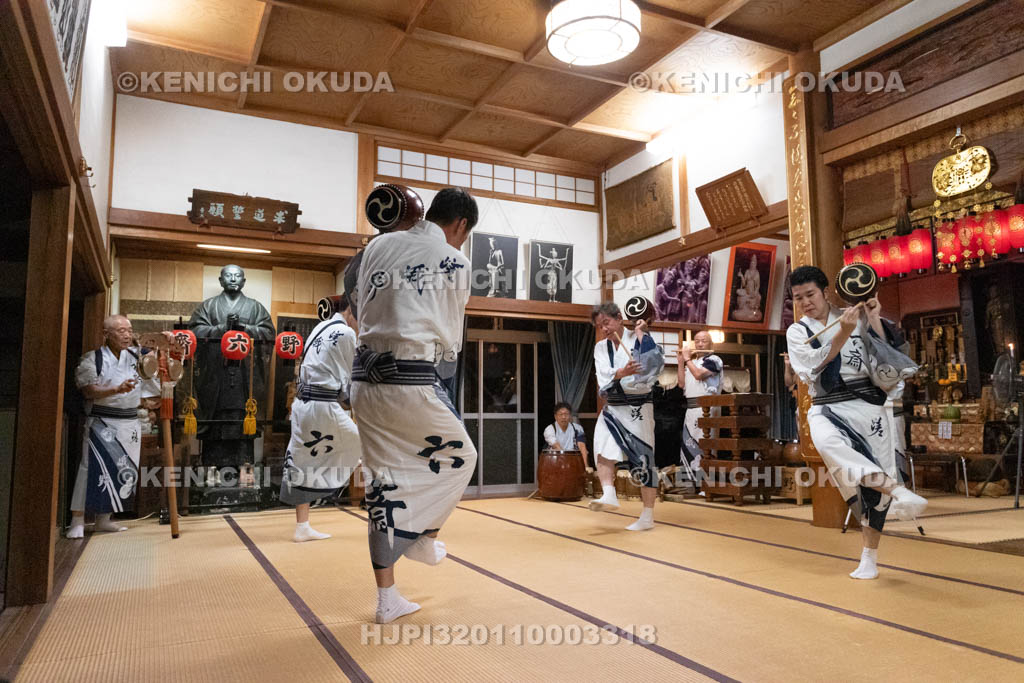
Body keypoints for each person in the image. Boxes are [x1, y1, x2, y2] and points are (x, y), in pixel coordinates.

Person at [351, 187, 478, 623]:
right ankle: (424, 536)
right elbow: (449, 337)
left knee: (383, 484)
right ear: (460, 225)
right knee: (461, 458)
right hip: (408, 380)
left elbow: (361, 298)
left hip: (363, 381)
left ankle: (387, 600)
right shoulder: (455, 262)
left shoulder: (379, 245)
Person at [786, 265, 927, 580]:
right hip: (826, 405)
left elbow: (888, 357)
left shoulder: (855, 315)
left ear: (825, 292)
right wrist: (842, 333)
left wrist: (873, 319)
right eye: (798, 298)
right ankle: (897, 489)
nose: (805, 302)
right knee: (828, 444)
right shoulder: (798, 331)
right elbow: (813, 365)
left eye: (810, 294)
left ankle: (869, 558)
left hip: (869, 405)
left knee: (872, 494)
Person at [68, 315, 161, 538]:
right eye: (121, 331)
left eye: (129, 330)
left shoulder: (137, 358)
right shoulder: (94, 359)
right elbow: (88, 391)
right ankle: (77, 520)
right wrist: (116, 390)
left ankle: (104, 518)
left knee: (123, 470)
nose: (127, 335)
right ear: (106, 334)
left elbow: (152, 383)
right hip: (102, 421)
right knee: (90, 468)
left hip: (130, 422)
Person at [281, 295, 361, 542]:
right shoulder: (346, 333)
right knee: (364, 444)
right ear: (351, 311)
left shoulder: (321, 327)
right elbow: (353, 375)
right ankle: (383, 502)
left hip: (303, 405)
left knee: (304, 460)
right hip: (322, 406)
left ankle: (302, 526)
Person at [188, 265, 275, 491]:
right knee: (215, 419)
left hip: (245, 375)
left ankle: (245, 467)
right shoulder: (208, 307)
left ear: (244, 281)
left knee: (242, 417)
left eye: (238, 276)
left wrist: (243, 328)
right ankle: (212, 468)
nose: (233, 279)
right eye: (229, 275)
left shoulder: (255, 308)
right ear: (221, 280)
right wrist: (221, 329)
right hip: (216, 375)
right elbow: (194, 332)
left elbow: (269, 334)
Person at [589, 302, 664, 531]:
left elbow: (653, 367)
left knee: (644, 459)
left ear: (619, 318)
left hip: (638, 407)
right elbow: (603, 375)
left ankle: (648, 516)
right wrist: (622, 372)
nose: (604, 329)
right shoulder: (601, 347)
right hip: (613, 405)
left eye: (607, 323)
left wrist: (642, 334)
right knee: (601, 445)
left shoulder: (638, 336)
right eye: (600, 326)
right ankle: (609, 493)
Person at [679, 331, 723, 472]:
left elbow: (698, 375)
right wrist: (681, 361)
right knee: (689, 443)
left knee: (705, 444)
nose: (699, 344)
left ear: (711, 344)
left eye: (703, 341)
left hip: (707, 409)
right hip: (691, 408)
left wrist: (687, 359)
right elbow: (681, 384)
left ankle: (706, 479)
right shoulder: (693, 362)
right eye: (697, 341)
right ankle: (690, 480)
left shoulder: (714, 360)